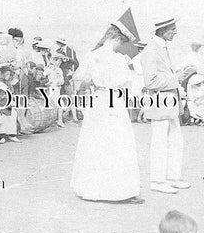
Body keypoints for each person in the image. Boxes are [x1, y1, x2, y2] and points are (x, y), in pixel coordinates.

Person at [71, 21, 143, 204]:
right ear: (116, 39)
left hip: (98, 101)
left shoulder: (92, 55)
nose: (121, 46)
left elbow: (80, 79)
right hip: (114, 101)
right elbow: (128, 84)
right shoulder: (118, 59)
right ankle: (118, 191)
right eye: (121, 42)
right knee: (118, 143)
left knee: (95, 143)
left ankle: (91, 188)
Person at [140, 18, 195, 194]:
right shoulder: (151, 50)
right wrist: (176, 78)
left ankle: (172, 177)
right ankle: (157, 180)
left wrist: (180, 73)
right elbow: (151, 81)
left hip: (169, 104)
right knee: (160, 142)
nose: (175, 32)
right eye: (173, 29)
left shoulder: (162, 47)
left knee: (175, 141)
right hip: (160, 103)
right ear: (162, 30)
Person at [56, 37, 79, 123]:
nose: (58, 44)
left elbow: (76, 64)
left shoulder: (71, 51)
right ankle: (61, 117)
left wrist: (69, 60)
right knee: (61, 97)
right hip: (59, 76)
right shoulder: (58, 51)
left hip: (68, 76)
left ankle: (74, 117)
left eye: (59, 42)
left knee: (70, 95)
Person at [44, 52, 67, 127]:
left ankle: (59, 120)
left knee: (60, 105)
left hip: (57, 89)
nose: (59, 62)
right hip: (51, 89)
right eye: (58, 61)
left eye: (60, 61)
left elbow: (62, 80)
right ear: (54, 60)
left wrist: (60, 82)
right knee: (55, 105)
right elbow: (44, 75)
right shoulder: (49, 68)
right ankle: (57, 121)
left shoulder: (60, 70)